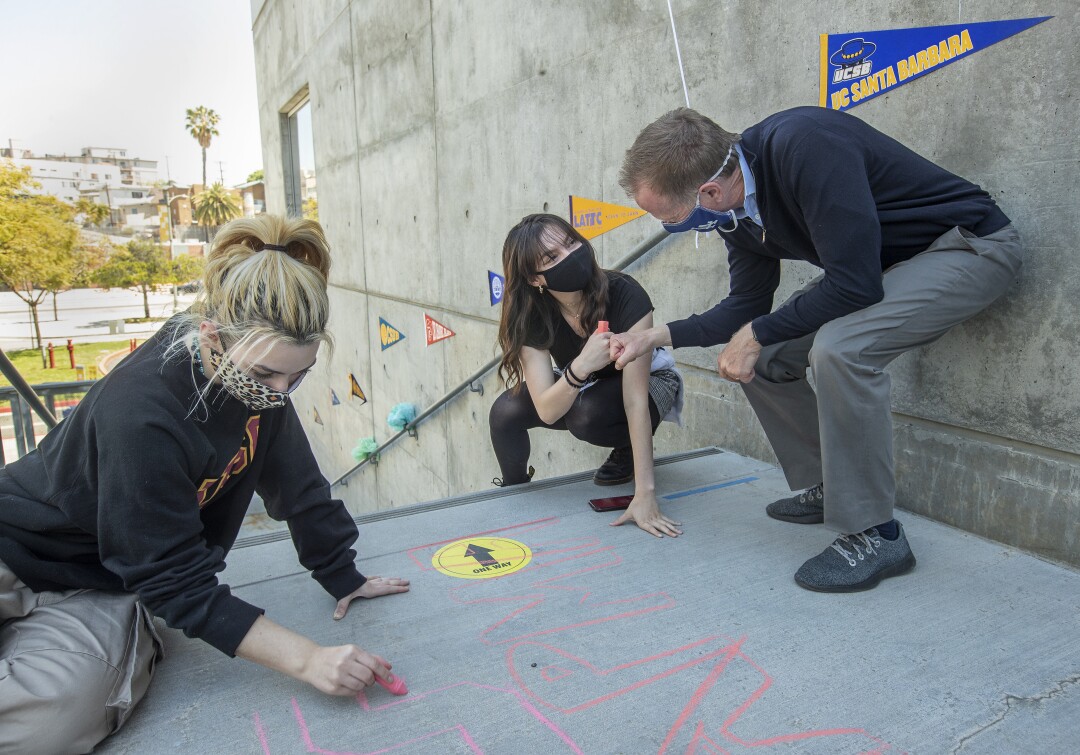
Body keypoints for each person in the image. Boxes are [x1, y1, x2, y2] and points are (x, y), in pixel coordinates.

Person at [0, 215, 410, 753]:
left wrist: (341, 572)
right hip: (13, 540)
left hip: (98, 583)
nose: (281, 392)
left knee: (53, 721)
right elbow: (179, 585)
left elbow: (297, 485)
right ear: (211, 336)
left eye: (299, 374)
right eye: (266, 375)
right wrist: (310, 659)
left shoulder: (257, 380)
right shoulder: (141, 413)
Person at [612, 106, 1022, 591]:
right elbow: (747, 303)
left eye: (673, 218)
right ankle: (835, 487)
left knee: (839, 349)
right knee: (763, 359)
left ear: (709, 192)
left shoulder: (805, 146)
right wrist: (653, 337)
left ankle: (876, 533)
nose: (675, 226)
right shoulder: (736, 212)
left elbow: (855, 286)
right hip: (887, 271)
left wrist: (756, 331)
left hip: (969, 249)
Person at [488, 213, 683, 538]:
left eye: (570, 243)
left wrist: (645, 494)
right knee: (505, 411)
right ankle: (514, 492)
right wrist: (582, 367)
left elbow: (635, 401)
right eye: (551, 257)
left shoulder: (624, 293)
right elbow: (547, 409)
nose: (569, 256)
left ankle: (626, 449)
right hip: (587, 382)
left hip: (649, 384)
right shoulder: (530, 314)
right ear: (535, 279)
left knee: (585, 414)